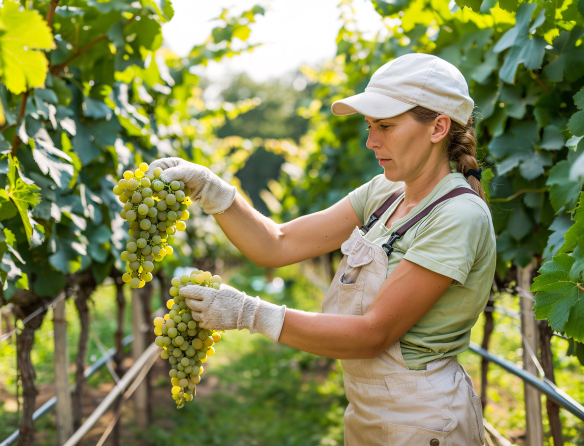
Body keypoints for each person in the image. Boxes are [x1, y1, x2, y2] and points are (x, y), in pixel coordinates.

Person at [149, 53, 495, 446]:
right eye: (369, 126)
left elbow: (372, 334)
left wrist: (251, 313)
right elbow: (277, 244)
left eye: (385, 126)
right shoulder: (385, 192)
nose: (371, 141)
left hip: (425, 420)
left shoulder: (458, 216)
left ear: (438, 127)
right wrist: (213, 191)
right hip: (367, 410)